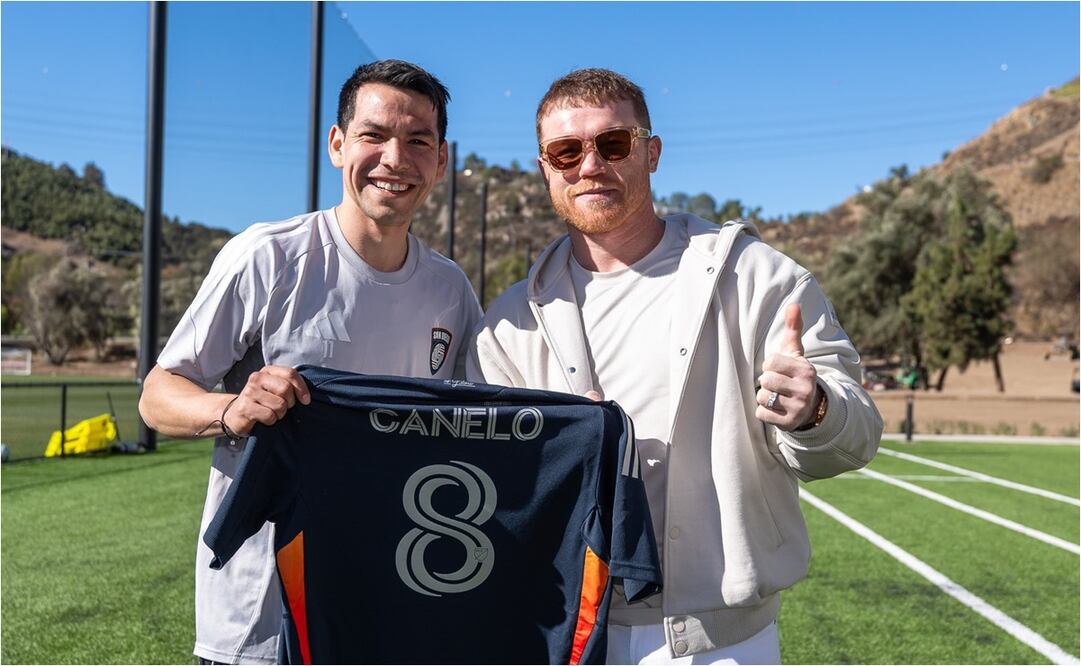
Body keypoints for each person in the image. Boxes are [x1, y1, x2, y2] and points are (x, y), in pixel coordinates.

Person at [468, 68, 883, 664]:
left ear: (651, 152)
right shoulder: (509, 321)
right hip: (569, 627)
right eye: (566, 150)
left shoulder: (760, 278)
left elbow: (857, 434)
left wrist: (816, 410)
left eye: (614, 144)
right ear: (545, 169)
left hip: (722, 641)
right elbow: (495, 480)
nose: (590, 165)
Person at [138, 59, 481, 665]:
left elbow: (479, 422)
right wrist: (230, 408)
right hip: (261, 623)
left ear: (441, 161)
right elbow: (159, 393)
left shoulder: (449, 289)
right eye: (374, 136)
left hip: (386, 606)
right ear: (338, 144)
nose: (395, 159)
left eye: (418, 141)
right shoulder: (267, 258)